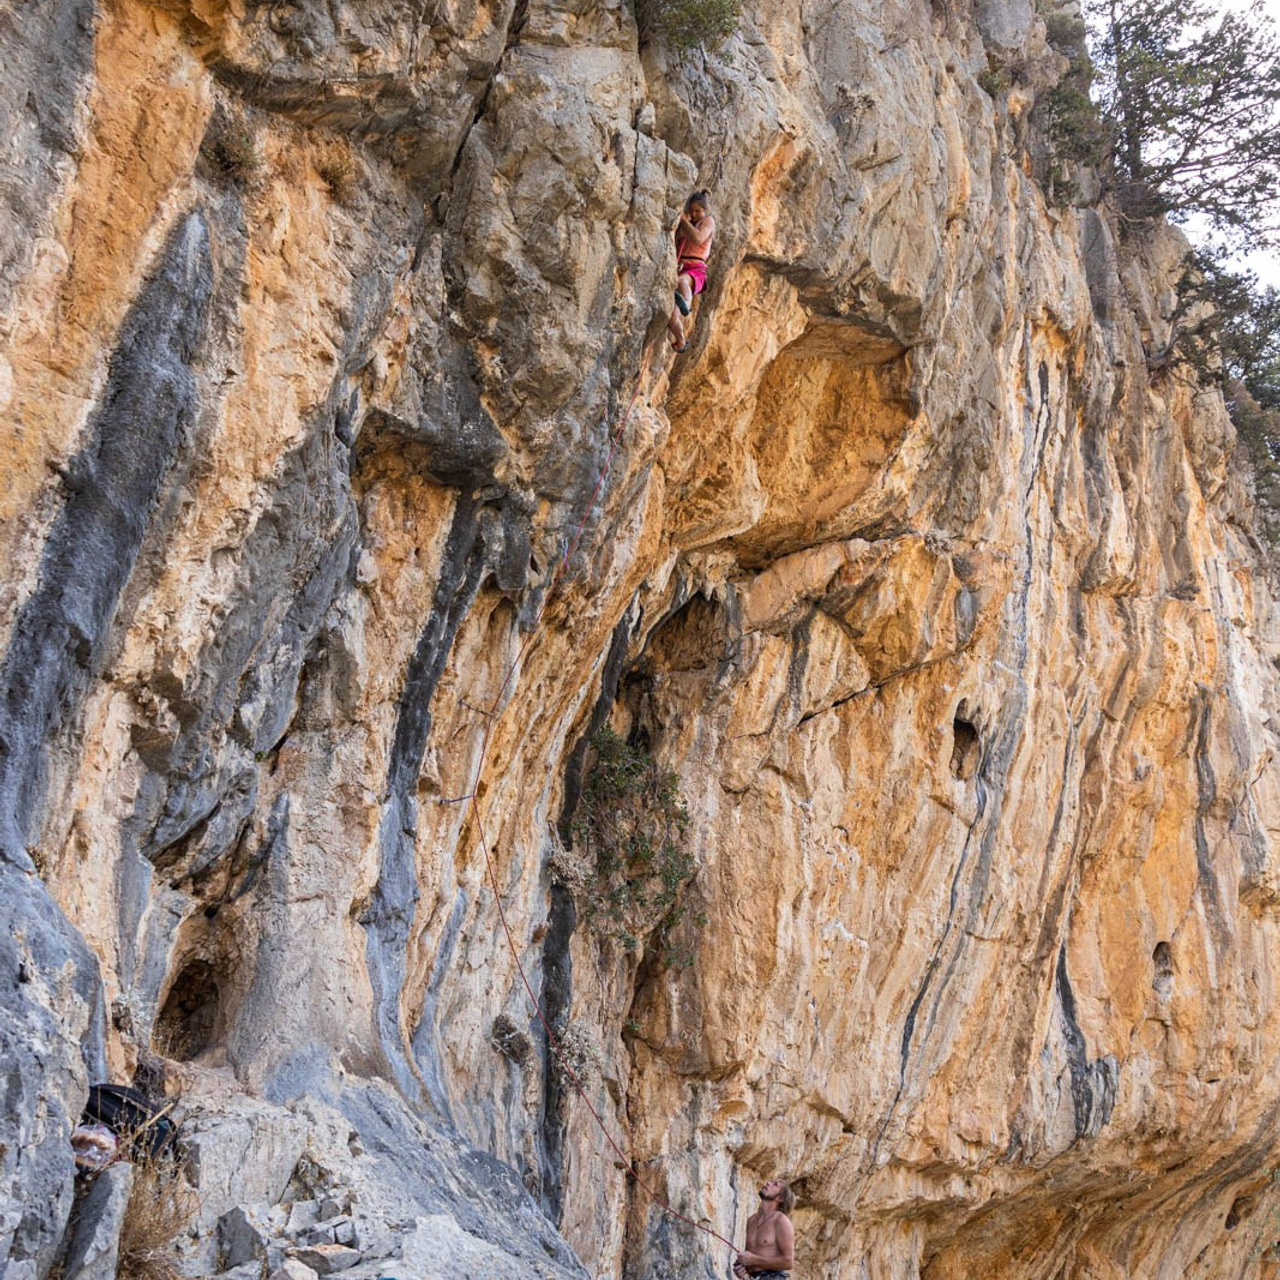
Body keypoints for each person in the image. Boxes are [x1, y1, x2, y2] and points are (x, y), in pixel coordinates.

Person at [668, 189, 716, 353]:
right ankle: (681, 341)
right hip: (682, 266)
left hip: (696, 268)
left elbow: (698, 238)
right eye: (692, 210)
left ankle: (685, 306)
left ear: (705, 210)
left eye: (698, 211)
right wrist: (683, 223)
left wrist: (683, 219)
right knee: (672, 318)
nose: (695, 214)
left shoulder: (708, 221)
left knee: (682, 282)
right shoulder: (689, 224)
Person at [732, 1178, 795, 1280]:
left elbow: (788, 1262)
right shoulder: (751, 1221)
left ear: (779, 1198)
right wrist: (742, 1269)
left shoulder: (781, 1221)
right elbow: (752, 1256)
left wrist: (754, 1260)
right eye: (770, 1182)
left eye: (775, 1184)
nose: (768, 1183)